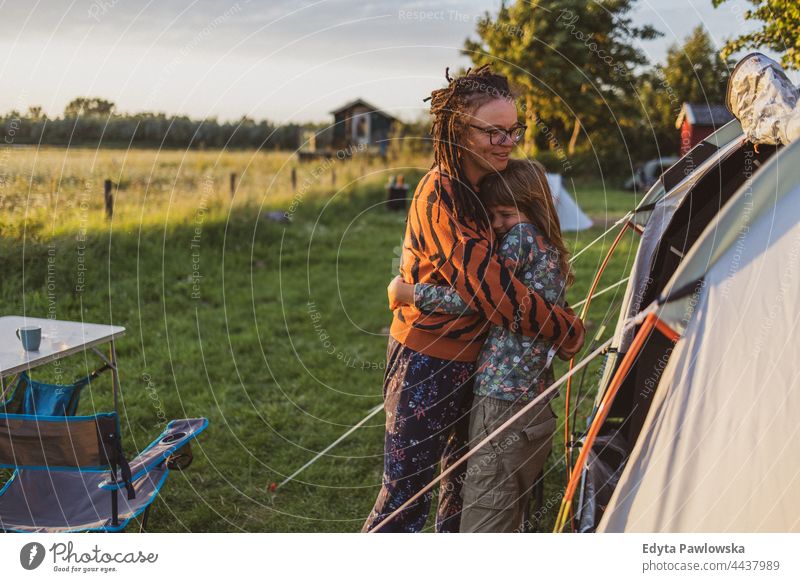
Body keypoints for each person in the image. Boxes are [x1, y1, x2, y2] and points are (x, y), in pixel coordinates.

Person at [361, 65, 585, 533]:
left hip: (477, 364)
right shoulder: (438, 195)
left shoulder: (483, 188)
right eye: (493, 131)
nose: (507, 141)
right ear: (459, 130)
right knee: (406, 498)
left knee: (459, 492)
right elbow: (490, 290)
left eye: (513, 130)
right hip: (426, 361)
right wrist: (564, 328)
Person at [388, 158, 572, 532]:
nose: (498, 224)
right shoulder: (543, 243)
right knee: (498, 497)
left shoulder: (520, 240)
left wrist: (410, 292)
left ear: (531, 206)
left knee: (486, 502)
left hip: (503, 393)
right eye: (493, 216)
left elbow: (480, 296)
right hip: (529, 391)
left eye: (506, 213)